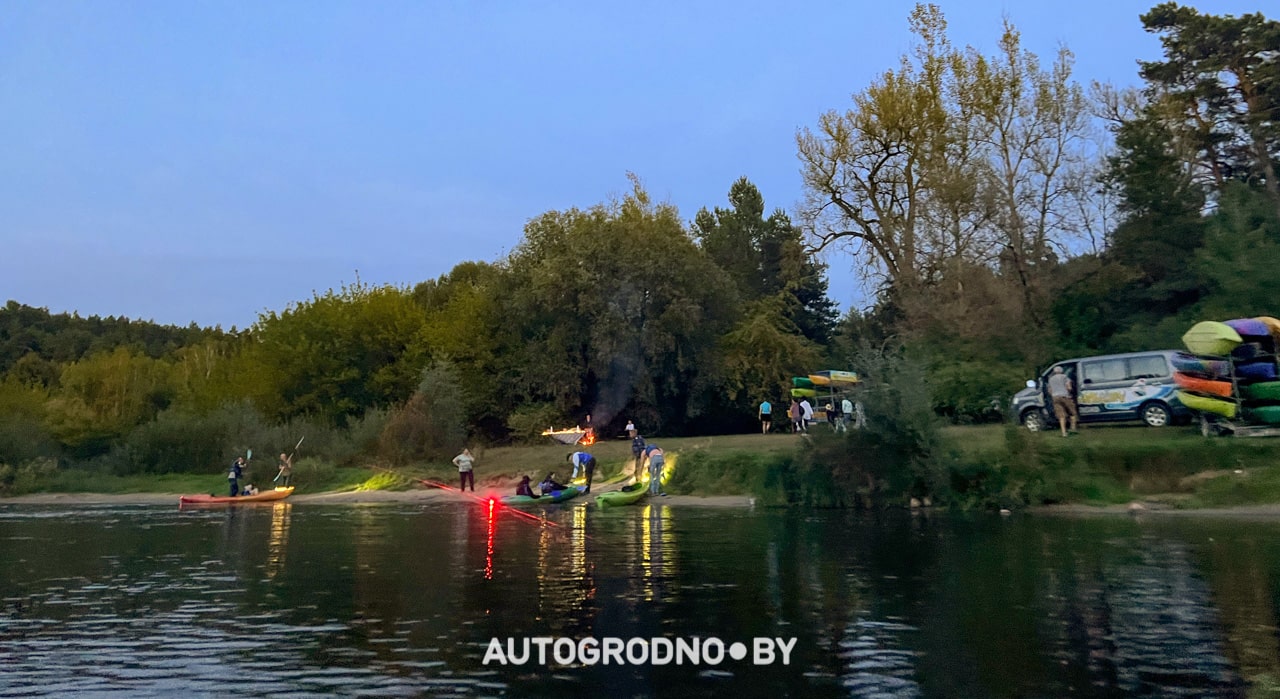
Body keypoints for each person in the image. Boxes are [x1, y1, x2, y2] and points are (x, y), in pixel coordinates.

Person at [1048, 365, 1079, 437]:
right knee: (1073, 412)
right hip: (1065, 396)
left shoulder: (1051, 379)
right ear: (1061, 371)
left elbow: (1050, 390)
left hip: (1055, 397)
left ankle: (1064, 433)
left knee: (1061, 416)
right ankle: (1073, 428)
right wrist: (1070, 393)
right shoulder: (1065, 377)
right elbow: (1069, 387)